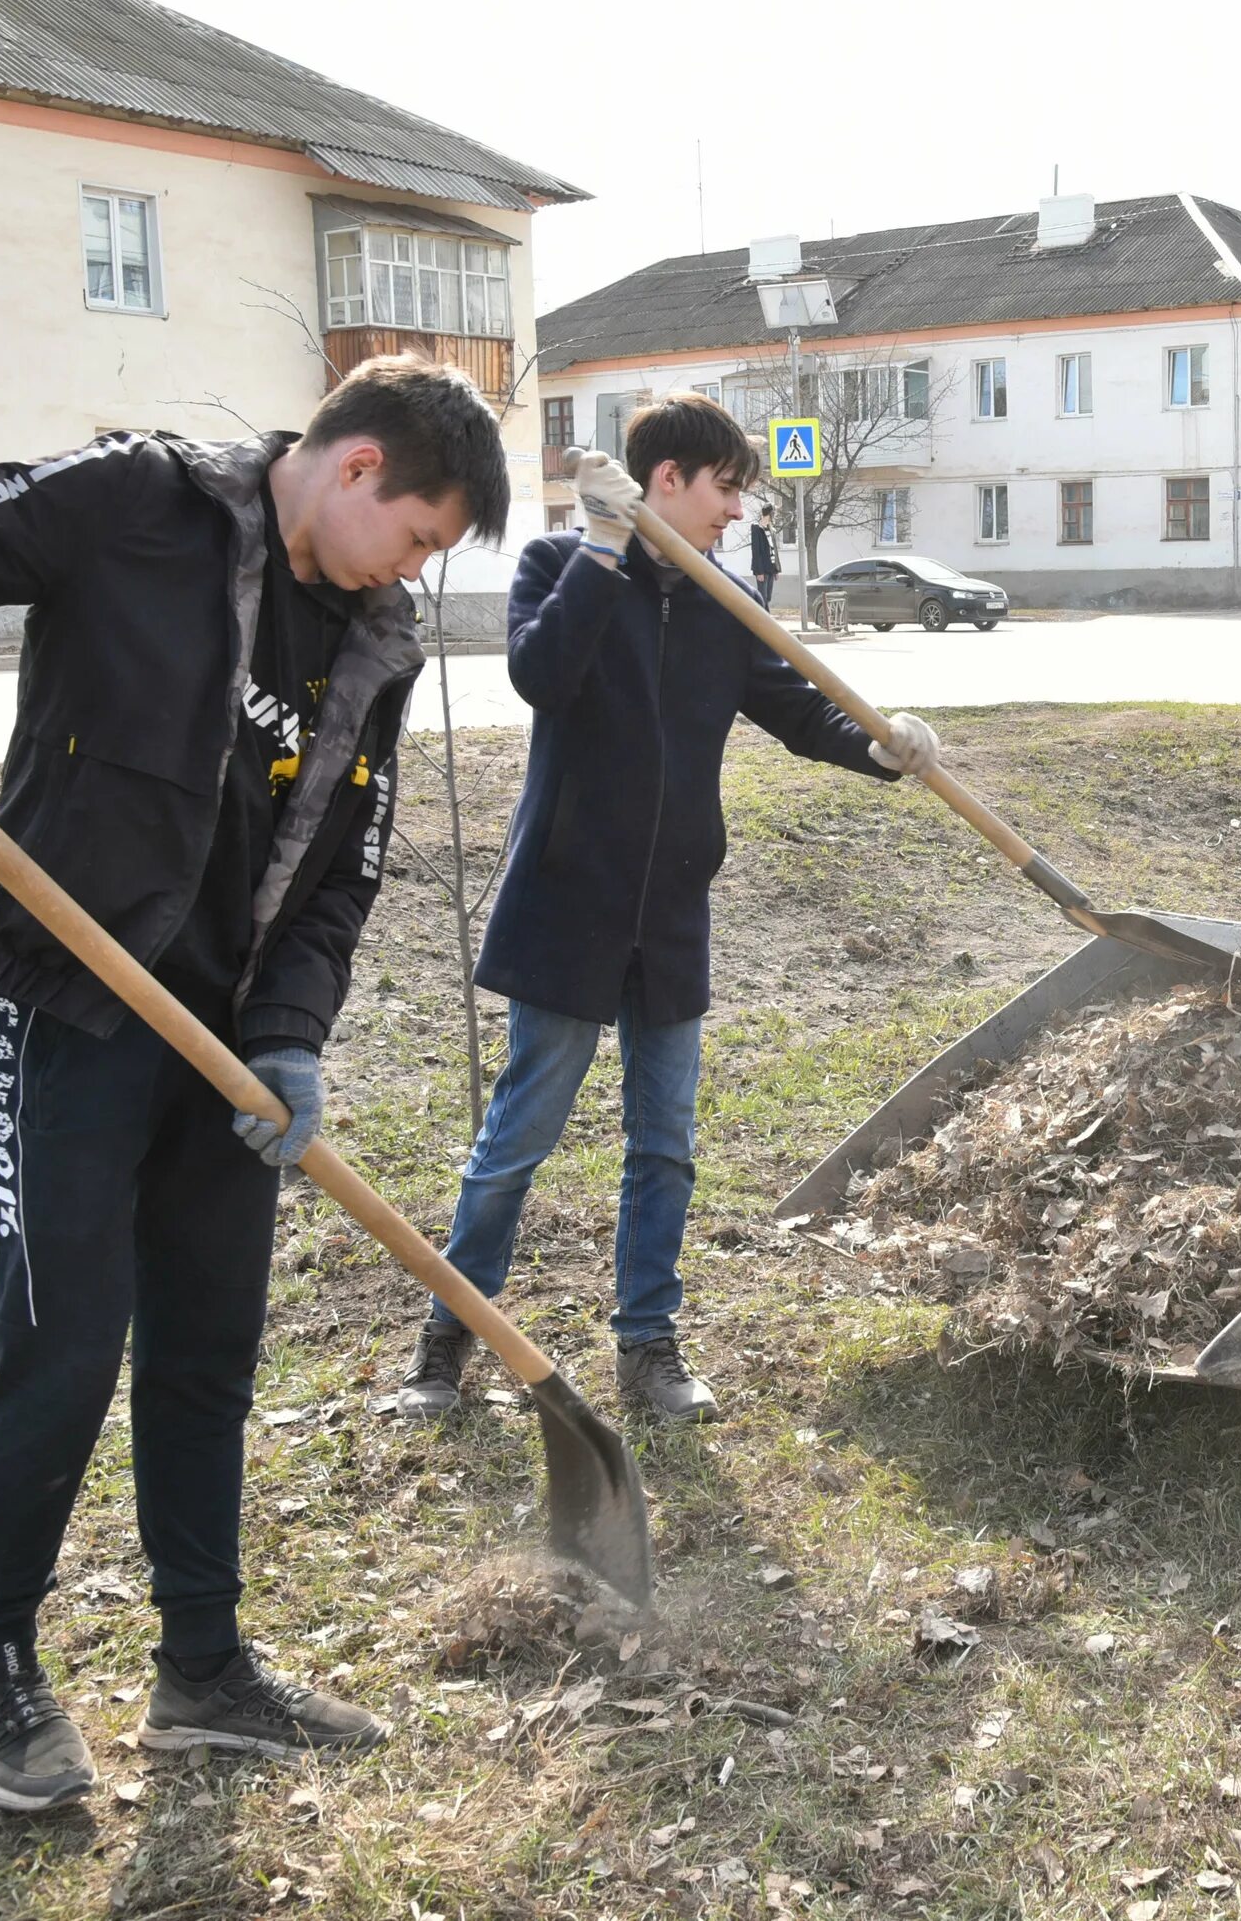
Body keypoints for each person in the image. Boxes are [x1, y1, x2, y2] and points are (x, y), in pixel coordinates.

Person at [0, 356, 511, 1810]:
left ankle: (204, 1668)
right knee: (58, 1348)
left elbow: (335, 880)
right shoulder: (136, 502)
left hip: (225, 1043)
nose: (416, 576)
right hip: (73, 1004)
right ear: (358, 467)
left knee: (205, 1355)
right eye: (422, 538)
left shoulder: (374, 642)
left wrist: (294, 1033)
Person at [394, 396, 935, 1424]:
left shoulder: (725, 600)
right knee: (519, 1135)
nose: (739, 509)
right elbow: (542, 674)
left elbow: (796, 706)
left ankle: (647, 1348)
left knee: (665, 1144)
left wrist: (878, 742)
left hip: (671, 908)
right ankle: (444, 1345)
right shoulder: (562, 565)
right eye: (727, 486)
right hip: (568, 901)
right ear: (670, 480)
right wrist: (604, 542)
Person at [748, 500, 781, 609]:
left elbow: (774, 550)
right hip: (762, 568)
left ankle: (764, 616)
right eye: (774, 513)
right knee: (762, 597)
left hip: (771, 568)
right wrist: (759, 572)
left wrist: (776, 569)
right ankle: (762, 618)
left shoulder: (772, 529)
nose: (775, 515)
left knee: (768, 597)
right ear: (770, 513)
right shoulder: (757, 528)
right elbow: (756, 551)